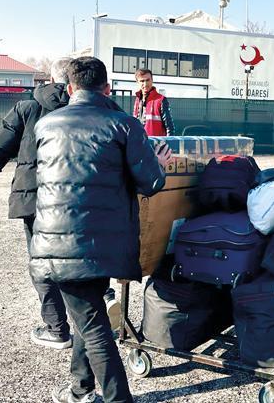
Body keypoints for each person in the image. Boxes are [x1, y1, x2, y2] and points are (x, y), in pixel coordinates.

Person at [31, 57, 170, 403]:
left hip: (56, 245)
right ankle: (83, 389)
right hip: (104, 244)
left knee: (89, 320)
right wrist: (160, 164)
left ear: (70, 88)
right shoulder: (124, 125)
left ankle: (101, 395)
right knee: (91, 318)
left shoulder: (46, 125)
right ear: (108, 89)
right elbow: (151, 182)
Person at [0, 57, 76, 350]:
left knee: (42, 263)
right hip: (79, 199)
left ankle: (57, 329)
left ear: (50, 78)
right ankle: (96, 315)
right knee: (80, 259)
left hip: (34, 199)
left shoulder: (27, 108)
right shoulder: (88, 108)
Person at [133, 68, 175, 136]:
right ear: (137, 82)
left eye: (148, 80)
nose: (145, 84)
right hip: (140, 144)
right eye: (142, 81)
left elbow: (170, 128)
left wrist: (168, 143)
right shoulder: (137, 100)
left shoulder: (161, 100)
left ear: (152, 80)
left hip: (156, 145)